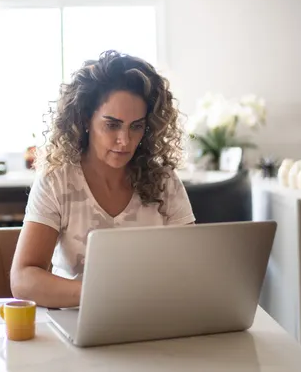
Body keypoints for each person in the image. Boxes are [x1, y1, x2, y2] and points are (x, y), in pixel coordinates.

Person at [10, 50, 195, 308]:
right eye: (112, 125)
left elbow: (193, 268)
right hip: (76, 321)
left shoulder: (164, 181)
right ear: (86, 119)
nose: (125, 140)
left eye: (136, 126)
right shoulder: (58, 180)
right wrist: (101, 293)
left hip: (152, 322)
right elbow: (23, 279)